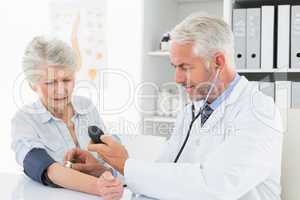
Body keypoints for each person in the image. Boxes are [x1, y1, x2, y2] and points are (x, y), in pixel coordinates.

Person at [66, 14, 283, 200]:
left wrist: (127, 165)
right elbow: (166, 172)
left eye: (185, 67)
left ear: (218, 62)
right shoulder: (192, 111)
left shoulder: (259, 111)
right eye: (175, 67)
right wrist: (107, 170)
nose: (177, 78)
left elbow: (215, 186)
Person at [11, 36, 123, 200]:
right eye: (50, 83)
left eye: (67, 80)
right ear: (32, 84)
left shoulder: (87, 107)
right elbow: (45, 168)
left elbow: (112, 164)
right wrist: (97, 187)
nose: (62, 90)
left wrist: (102, 172)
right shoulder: (24, 119)